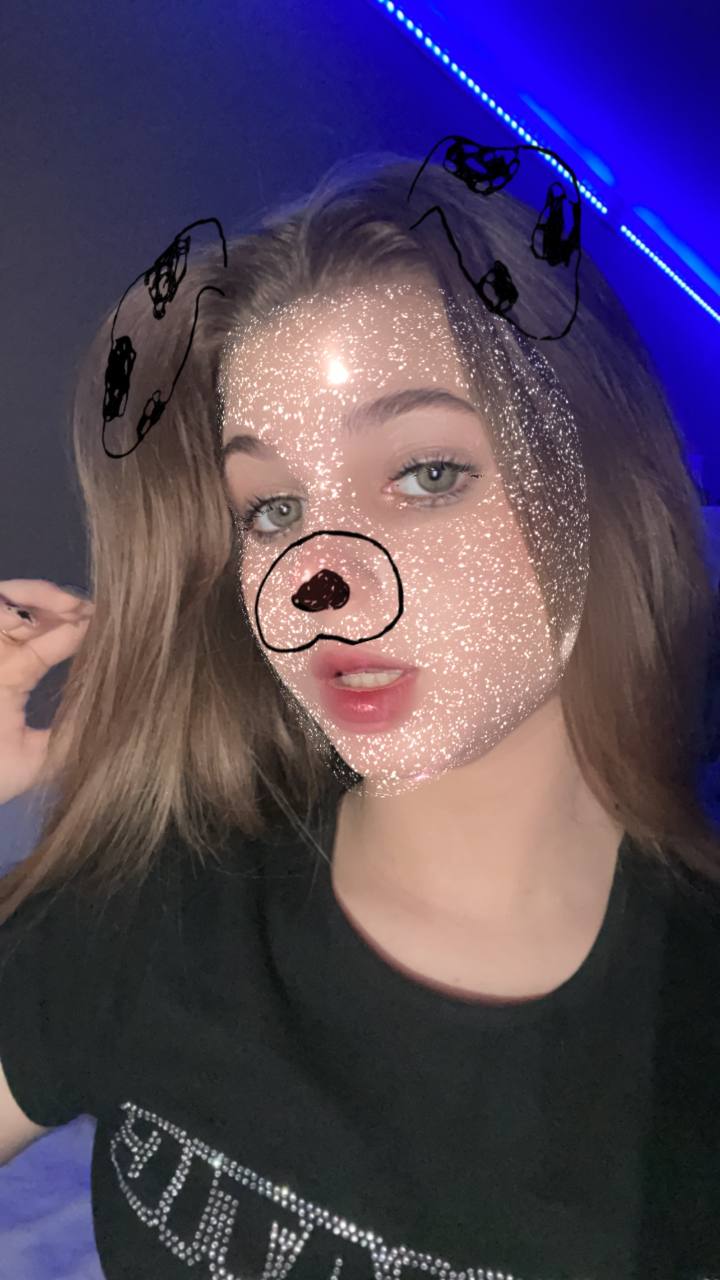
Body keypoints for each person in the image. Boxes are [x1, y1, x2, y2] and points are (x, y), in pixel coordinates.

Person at [1, 151, 719, 1280]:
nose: (316, 581)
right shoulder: (155, 894)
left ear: (607, 486)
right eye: (272, 509)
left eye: (426, 472)